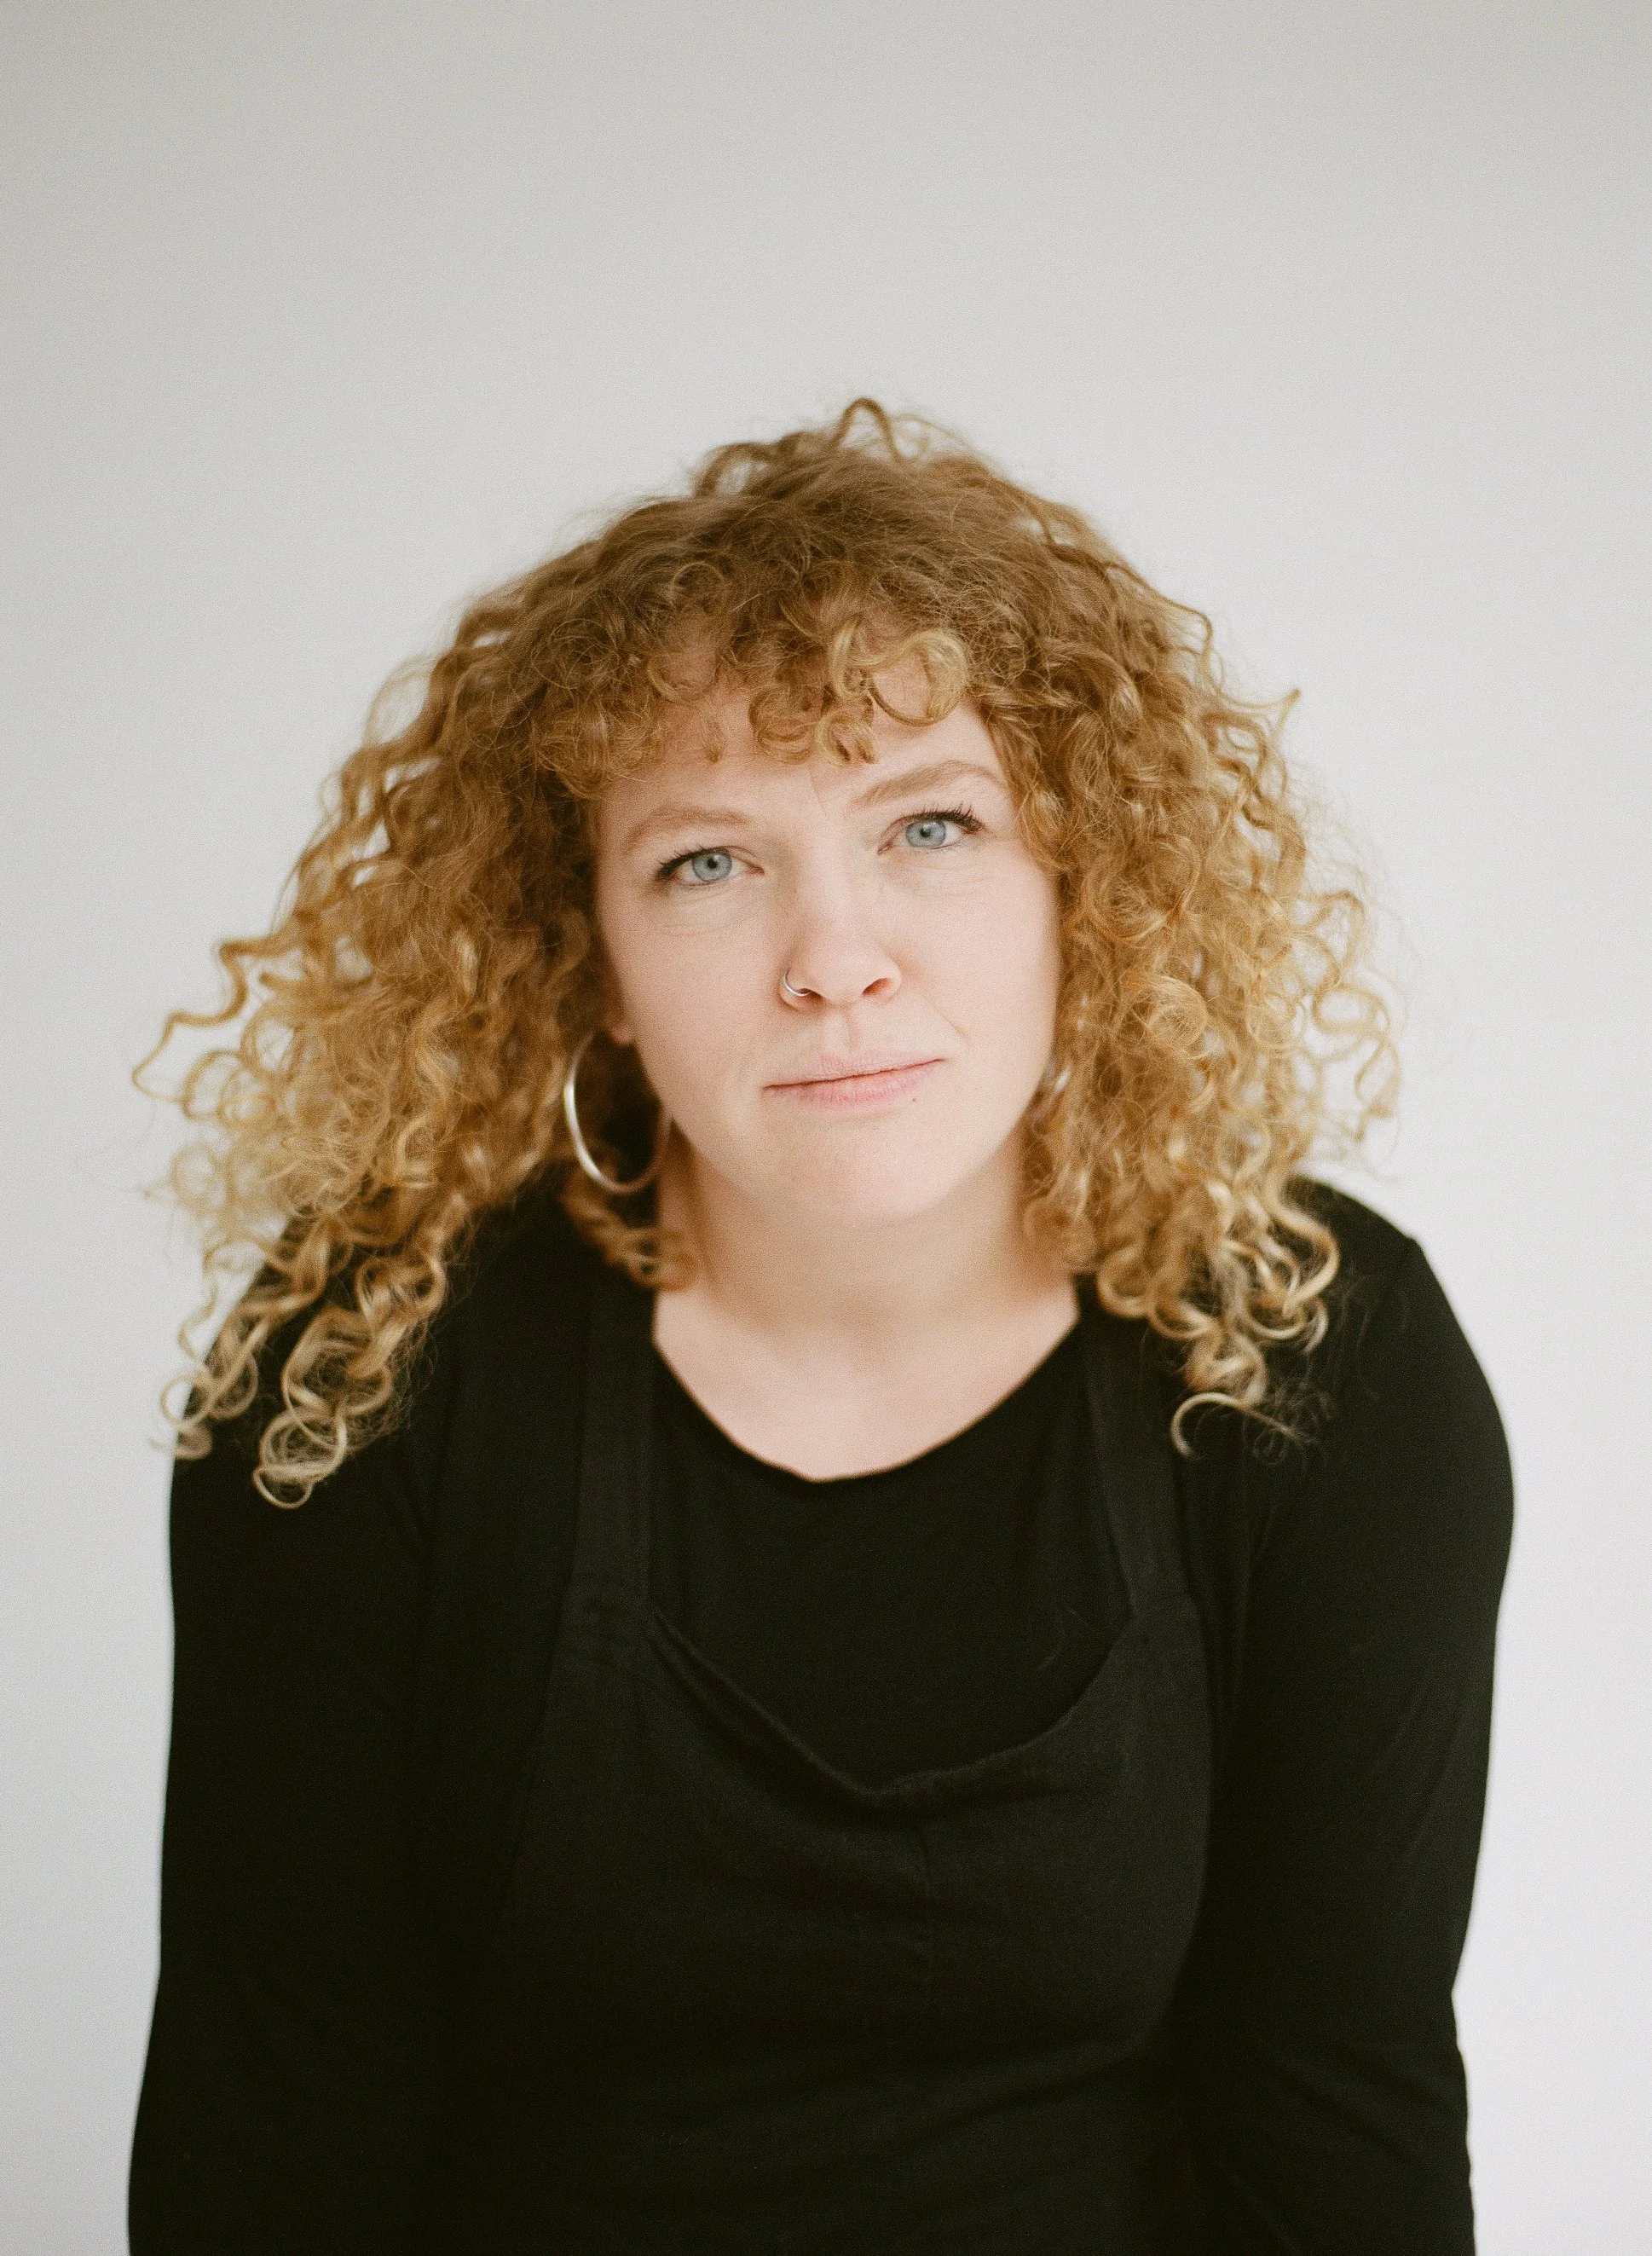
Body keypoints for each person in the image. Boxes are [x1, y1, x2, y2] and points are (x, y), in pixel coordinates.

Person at [128, 400, 1513, 2254]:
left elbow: (1340, 2119)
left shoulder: (1317, 1355)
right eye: (708, 862)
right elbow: (274, 2129)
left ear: (1077, 893)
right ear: (590, 961)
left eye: (930, 825)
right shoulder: (362, 1367)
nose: (833, 958)